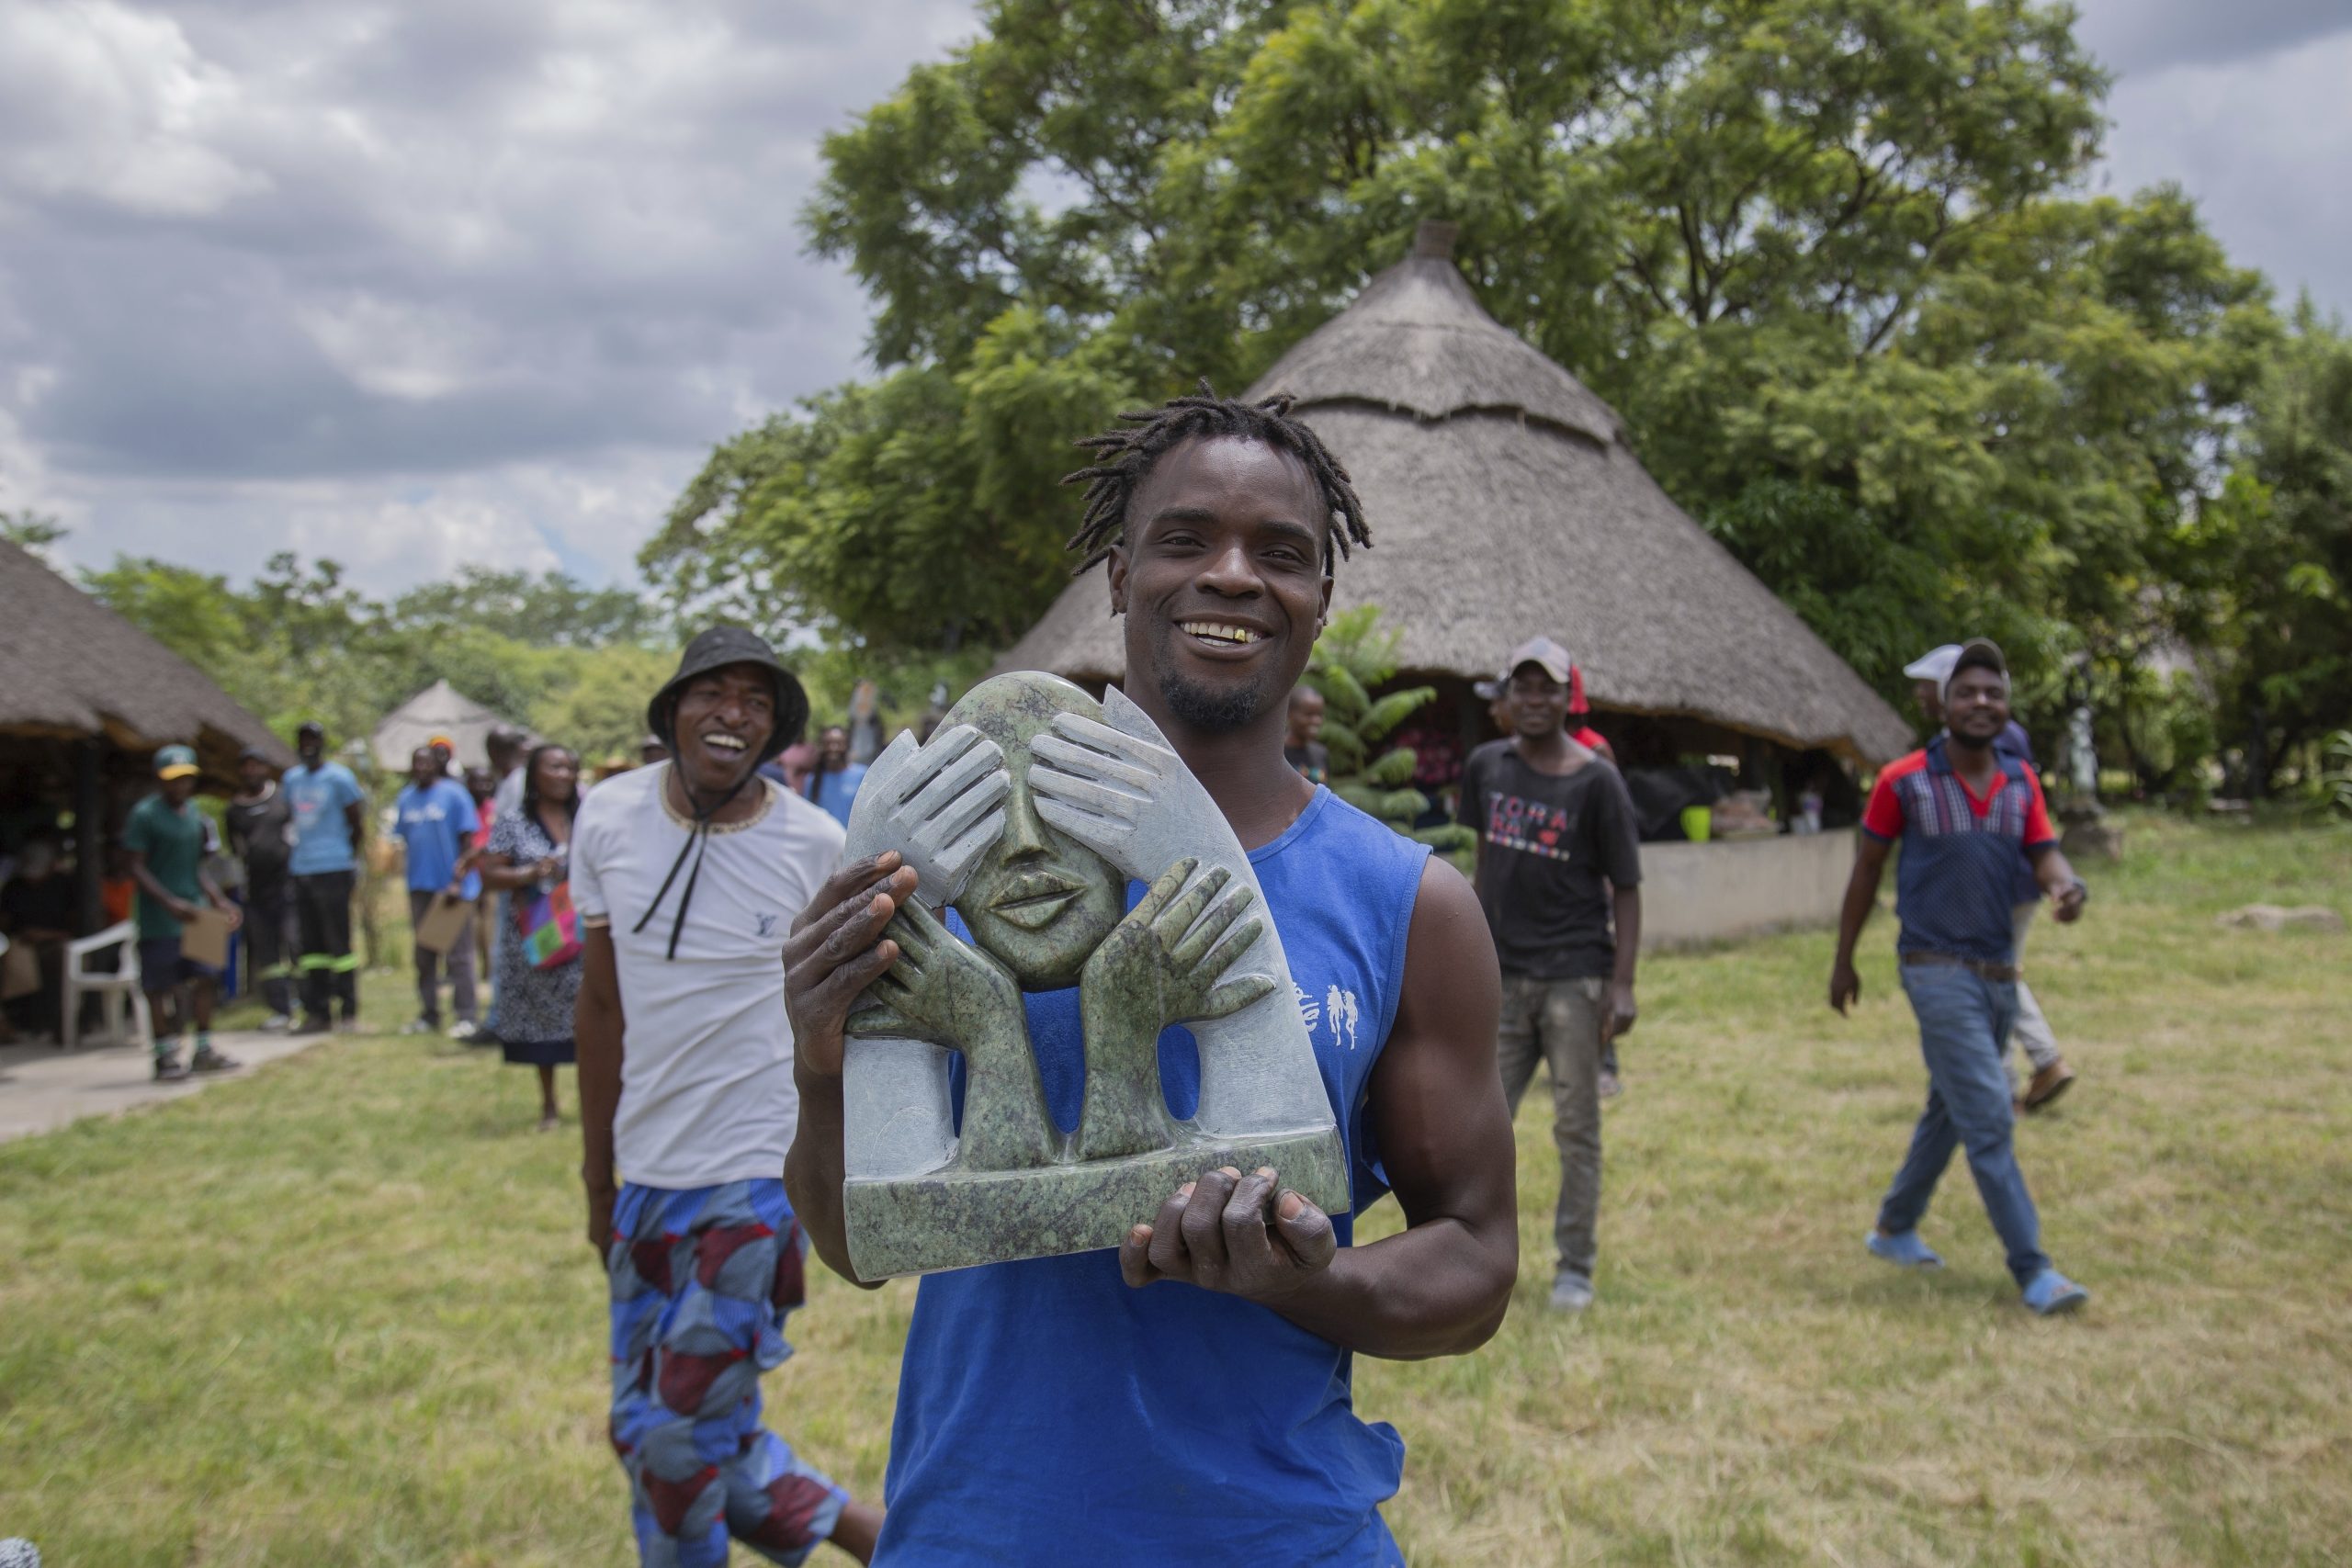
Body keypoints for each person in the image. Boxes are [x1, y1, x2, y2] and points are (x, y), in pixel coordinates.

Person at [783, 386, 1518, 1563]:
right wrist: (823, 1067)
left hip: (1277, 1535)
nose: (1231, 575)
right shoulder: (956, 883)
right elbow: (850, 1244)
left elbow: (1476, 1267)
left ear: (1320, 600)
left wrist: (1296, 1280)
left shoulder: (1406, 904)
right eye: (1184, 540)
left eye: (1280, 554)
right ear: (1119, 577)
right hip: (979, 1529)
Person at [572, 627, 882, 1566]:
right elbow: (598, 1006)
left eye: (756, 700)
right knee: (676, 1437)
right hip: (646, 1180)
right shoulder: (606, 817)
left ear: (774, 729)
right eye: (713, 692)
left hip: (755, 1184)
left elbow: (859, 1027)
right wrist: (598, 1180)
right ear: (673, 711)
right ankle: (916, 1548)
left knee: (674, 1444)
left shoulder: (814, 842)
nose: (732, 713)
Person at [1832, 638, 2093, 1315]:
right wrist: (1844, 960)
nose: (1982, 702)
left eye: (1993, 692)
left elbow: (2047, 855)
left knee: (1949, 1107)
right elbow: (1866, 871)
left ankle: (1894, 1226)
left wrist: (2067, 889)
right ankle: (2034, 1269)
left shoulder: (2019, 781)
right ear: (1943, 703)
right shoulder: (1904, 780)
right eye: (1967, 691)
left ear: (2007, 706)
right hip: (1933, 967)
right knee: (1988, 1113)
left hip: (1999, 970)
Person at [1456, 635, 1643, 1313]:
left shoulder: (1597, 779)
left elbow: (1626, 884)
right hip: (1502, 977)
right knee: (1478, 1125)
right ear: (1506, 697)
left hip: (1574, 976)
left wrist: (1621, 986)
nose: (1535, 699)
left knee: (1576, 1127)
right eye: (1523, 687)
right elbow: (1484, 864)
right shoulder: (1486, 767)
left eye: (1548, 688)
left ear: (1570, 697)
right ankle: (1470, 1255)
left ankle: (1576, 1265)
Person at [1904, 644, 2075, 1111]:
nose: (1919, 695)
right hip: (1988, 885)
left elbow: (2020, 819)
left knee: (1993, 976)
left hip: (2006, 884)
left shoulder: (1997, 737)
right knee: (1992, 975)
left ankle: (2016, 1074)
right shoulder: (1951, 742)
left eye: (1926, 686)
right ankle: (2018, 1071)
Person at [123, 745, 243, 1079]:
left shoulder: (194, 815)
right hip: (160, 917)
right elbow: (135, 866)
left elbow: (198, 867)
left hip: (199, 910)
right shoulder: (144, 815)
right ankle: (164, 1056)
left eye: (186, 780)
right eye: (173, 780)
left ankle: (203, 1049)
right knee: (159, 986)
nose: (180, 786)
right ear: (160, 780)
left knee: (207, 977)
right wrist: (169, 903)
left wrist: (219, 900)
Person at [481, 745, 584, 1131]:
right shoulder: (513, 822)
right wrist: (530, 873)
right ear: (534, 775)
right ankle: (549, 1105)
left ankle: (594, 1099)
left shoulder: (587, 819)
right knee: (543, 1019)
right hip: (537, 937)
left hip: (587, 934)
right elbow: (491, 875)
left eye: (570, 766)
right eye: (554, 766)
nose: (563, 773)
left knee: (590, 1013)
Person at [390, 746, 482, 1039]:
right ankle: (429, 1014)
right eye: (416, 762)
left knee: (458, 955)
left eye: (426, 763)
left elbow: (468, 843)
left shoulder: (455, 795)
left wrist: (458, 880)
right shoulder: (406, 798)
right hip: (420, 886)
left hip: (450, 889)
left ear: (436, 765)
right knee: (424, 955)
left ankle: (466, 1015)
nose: (421, 768)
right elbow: (403, 838)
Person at [284, 720, 367, 1035]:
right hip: (301, 869)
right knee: (310, 947)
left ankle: (348, 1011)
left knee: (339, 942)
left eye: (313, 739)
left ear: (322, 742)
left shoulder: (340, 778)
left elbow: (356, 823)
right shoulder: (291, 780)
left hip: (334, 867)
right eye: (302, 739)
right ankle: (317, 1012)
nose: (308, 745)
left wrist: (347, 860)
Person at [225, 746, 298, 1031]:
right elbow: (236, 849)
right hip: (256, 892)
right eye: (246, 766)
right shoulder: (234, 810)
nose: (251, 771)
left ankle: (304, 1000)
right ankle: (279, 1008)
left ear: (266, 768)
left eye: (256, 765)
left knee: (295, 943)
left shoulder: (282, 799)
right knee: (267, 955)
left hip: (288, 886)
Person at [1, 837, 75, 1040]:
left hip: (58, 942)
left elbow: (77, 927)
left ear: (52, 866)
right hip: (20, 944)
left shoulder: (64, 886)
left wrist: (45, 935)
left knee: (59, 959)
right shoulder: (14, 888)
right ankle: (14, 1022)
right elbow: (5, 922)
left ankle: (58, 1022)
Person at [800, 726, 865, 828]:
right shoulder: (812, 780)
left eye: (838, 744)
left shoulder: (861, 775)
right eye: (828, 744)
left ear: (847, 745)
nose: (833, 748)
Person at [1283, 683, 1329, 783]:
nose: (1316, 721)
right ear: (1289, 713)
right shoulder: (1277, 753)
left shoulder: (1320, 753)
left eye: (1319, 714)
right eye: (1309, 715)